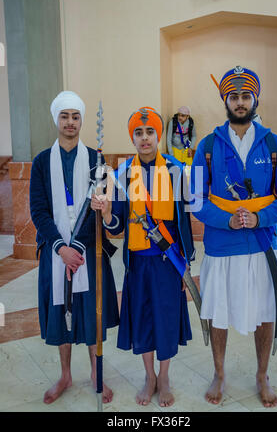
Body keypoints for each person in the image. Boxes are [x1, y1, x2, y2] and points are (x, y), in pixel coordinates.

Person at [191, 66, 277, 408]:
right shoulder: (207, 146)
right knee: (218, 313)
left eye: (245, 96)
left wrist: (259, 217)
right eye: (233, 96)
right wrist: (227, 220)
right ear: (225, 100)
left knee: (266, 312)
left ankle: (262, 374)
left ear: (255, 99)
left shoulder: (273, 143)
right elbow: (195, 200)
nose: (240, 102)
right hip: (222, 247)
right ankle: (219, 373)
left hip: (262, 246)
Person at [91, 106, 194, 407]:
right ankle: (149, 376)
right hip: (138, 263)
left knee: (166, 318)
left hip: (168, 262)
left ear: (158, 135)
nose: (145, 137)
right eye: (139, 132)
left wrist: (185, 265)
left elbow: (183, 222)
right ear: (132, 138)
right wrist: (109, 213)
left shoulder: (175, 171)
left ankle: (164, 377)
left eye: (150, 132)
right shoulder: (122, 176)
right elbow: (117, 224)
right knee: (144, 319)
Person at [30, 91, 119, 405]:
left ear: (82, 121)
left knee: (91, 313)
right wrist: (61, 248)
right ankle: (65, 374)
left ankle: (96, 373)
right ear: (57, 119)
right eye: (65, 116)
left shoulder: (97, 159)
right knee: (60, 313)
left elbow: (100, 204)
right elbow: (38, 210)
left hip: (88, 251)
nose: (70, 122)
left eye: (75, 116)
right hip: (57, 253)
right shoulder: (42, 162)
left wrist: (77, 246)